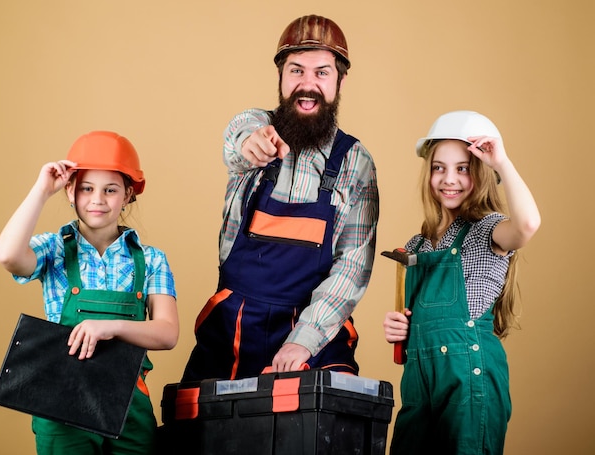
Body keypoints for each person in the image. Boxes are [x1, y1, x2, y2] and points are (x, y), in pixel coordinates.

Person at [181, 14, 379, 381]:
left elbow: (352, 266)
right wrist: (251, 144)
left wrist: (303, 340)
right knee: (199, 427)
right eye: (296, 71)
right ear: (280, 76)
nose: (308, 84)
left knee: (328, 422)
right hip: (233, 327)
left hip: (313, 330)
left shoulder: (356, 163)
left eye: (321, 72)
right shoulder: (257, 129)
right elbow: (238, 137)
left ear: (340, 80)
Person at [0, 131, 179, 454]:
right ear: (70, 192)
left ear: (128, 195)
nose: (98, 199)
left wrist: (109, 326)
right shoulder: (53, 250)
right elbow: (8, 255)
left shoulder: (151, 259)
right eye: (86, 189)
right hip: (62, 404)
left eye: (110, 190)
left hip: (129, 407)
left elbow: (167, 333)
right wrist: (42, 190)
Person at [383, 110, 541, 454]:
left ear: (482, 174)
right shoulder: (416, 246)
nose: (448, 178)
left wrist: (502, 162)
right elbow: (417, 320)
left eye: (462, 168)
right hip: (420, 383)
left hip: (469, 380)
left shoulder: (488, 230)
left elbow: (527, 224)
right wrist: (399, 327)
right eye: (439, 167)